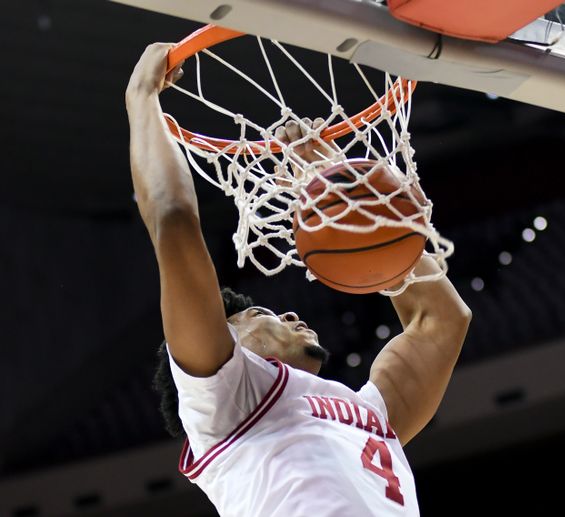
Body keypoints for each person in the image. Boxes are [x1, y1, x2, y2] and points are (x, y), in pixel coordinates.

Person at [126, 42, 471, 516]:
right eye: (260, 314)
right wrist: (141, 96)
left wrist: (346, 195)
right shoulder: (223, 399)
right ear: (222, 340)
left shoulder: (369, 413)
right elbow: (173, 218)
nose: (289, 312)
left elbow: (442, 319)